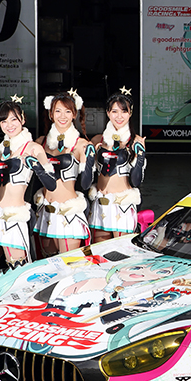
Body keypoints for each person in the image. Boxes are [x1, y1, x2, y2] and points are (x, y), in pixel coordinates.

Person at [0, 96, 56, 268]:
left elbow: (52, 184)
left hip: (14, 217)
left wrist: (36, 165)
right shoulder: (1, 149)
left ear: (22, 119)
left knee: (19, 270)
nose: (9, 125)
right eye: (4, 121)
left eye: (14, 119)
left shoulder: (33, 148)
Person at [34, 90, 95, 256]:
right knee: (46, 264)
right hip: (45, 212)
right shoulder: (40, 143)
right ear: (51, 114)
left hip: (68, 214)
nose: (62, 116)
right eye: (58, 111)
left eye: (68, 111)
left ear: (74, 114)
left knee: (70, 266)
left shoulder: (81, 144)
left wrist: (89, 162)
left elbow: (85, 185)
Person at [88, 87, 146, 242]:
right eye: (114, 111)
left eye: (124, 111)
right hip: (100, 204)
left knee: (122, 253)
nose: (119, 116)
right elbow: (86, 178)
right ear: (108, 113)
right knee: (99, 253)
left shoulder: (136, 141)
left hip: (123, 207)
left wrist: (140, 158)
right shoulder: (97, 140)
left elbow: (136, 181)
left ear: (130, 113)